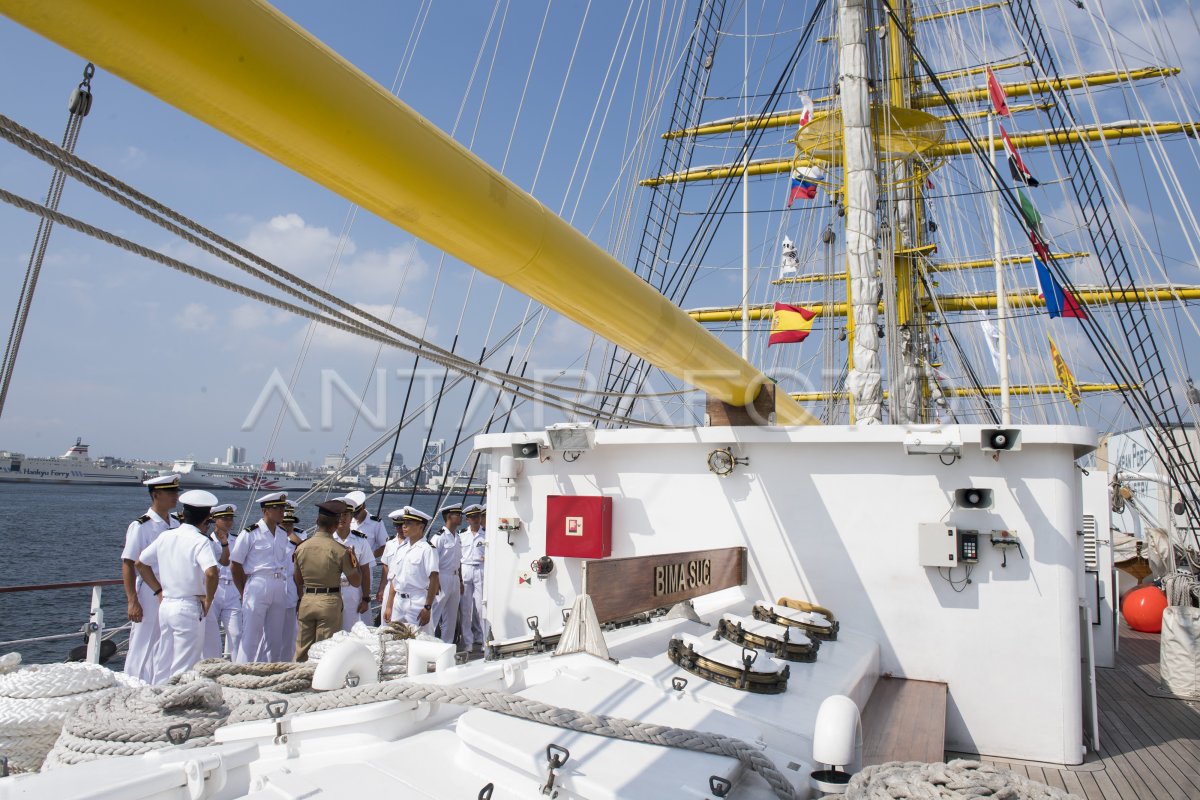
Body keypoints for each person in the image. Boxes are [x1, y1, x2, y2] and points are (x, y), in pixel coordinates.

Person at [135, 489, 220, 682]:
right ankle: (176, 703)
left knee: (163, 659)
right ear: (207, 517)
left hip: (166, 605)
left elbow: (140, 563)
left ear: (184, 514)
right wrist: (209, 599)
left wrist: (158, 590)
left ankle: (158, 696)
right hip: (188, 606)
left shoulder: (166, 536)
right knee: (185, 664)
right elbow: (212, 572)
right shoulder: (200, 541)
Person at [120, 474, 181, 683]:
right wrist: (132, 601)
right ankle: (131, 685)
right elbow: (128, 563)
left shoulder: (176, 524)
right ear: (156, 495)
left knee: (166, 642)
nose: (176, 496)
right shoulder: (141, 526)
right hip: (149, 590)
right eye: (171, 492)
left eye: (176, 491)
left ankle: (158, 684)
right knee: (142, 642)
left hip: (172, 591)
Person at [293, 500, 360, 661]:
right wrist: (354, 559)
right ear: (336, 525)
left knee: (302, 649)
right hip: (329, 601)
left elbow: (298, 579)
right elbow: (356, 581)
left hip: (307, 600)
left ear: (317, 522)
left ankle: (299, 679)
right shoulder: (340, 551)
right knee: (325, 650)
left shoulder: (301, 547)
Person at [230, 491, 291, 662]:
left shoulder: (282, 533)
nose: (282, 511)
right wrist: (243, 591)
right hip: (258, 583)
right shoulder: (250, 533)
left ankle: (269, 673)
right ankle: (242, 673)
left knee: (275, 637)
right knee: (251, 635)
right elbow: (235, 564)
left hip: (279, 583)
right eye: (277, 507)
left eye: (283, 507)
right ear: (266, 511)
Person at [384, 506, 439, 631]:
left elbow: (434, 579)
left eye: (408, 523)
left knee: (421, 642)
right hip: (398, 602)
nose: (404, 526)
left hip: (417, 602)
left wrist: (428, 607)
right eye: (404, 523)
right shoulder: (401, 549)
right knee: (396, 641)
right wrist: (389, 606)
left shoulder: (428, 549)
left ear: (420, 527)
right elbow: (394, 579)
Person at [203, 503, 241, 659]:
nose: (229, 522)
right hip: (214, 588)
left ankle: (240, 670)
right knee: (210, 635)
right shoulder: (206, 541)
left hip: (232, 590)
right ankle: (212, 667)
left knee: (237, 633)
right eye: (224, 518)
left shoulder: (238, 540)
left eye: (231, 518)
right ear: (214, 520)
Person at [346, 490, 386, 625]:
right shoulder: (347, 521)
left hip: (365, 571)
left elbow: (384, 546)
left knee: (364, 606)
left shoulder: (376, 523)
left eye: (356, 513)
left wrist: (366, 557)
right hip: (346, 570)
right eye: (352, 513)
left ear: (363, 507)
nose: (354, 516)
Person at [334, 496, 373, 631]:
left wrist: (366, 598)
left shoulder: (361, 541)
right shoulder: (327, 539)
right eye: (338, 515)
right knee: (330, 631)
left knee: (351, 630)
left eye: (346, 515)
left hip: (352, 592)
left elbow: (365, 571)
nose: (342, 518)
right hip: (331, 591)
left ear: (351, 517)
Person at [429, 502, 464, 645]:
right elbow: (432, 563)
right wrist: (434, 583)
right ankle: (429, 644)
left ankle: (447, 646)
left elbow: (459, 561)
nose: (461, 517)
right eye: (458, 514)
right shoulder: (439, 537)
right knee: (435, 614)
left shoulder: (457, 536)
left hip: (455, 578)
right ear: (449, 516)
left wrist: (460, 581)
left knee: (451, 615)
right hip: (441, 577)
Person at [458, 503, 487, 652]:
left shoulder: (486, 535)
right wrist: (459, 579)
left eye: (477, 517)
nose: (475, 520)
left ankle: (483, 640)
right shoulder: (461, 535)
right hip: (465, 569)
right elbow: (457, 557)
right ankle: (468, 642)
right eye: (472, 517)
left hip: (480, 570)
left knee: (481, 608)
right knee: (465, 608)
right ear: (467, 520)